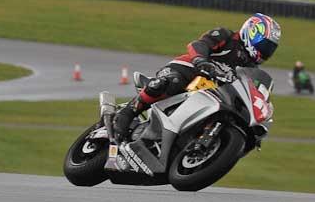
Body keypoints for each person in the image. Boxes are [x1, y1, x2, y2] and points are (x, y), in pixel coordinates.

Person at [114, 13, 281, 141]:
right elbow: (198, 44)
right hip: (189, 69)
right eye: (265, 45)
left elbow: (254, 93)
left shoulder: (251, 69)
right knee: (170, 82)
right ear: (252, 32)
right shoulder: (227, 36)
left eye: (270, 49)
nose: (266, 51)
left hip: (212, 91)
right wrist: (201, 59)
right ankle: (128, 113)